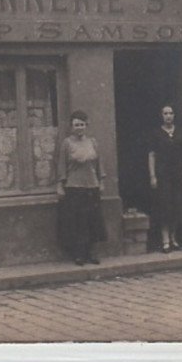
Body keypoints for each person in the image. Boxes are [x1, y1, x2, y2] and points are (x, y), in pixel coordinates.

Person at [56, 110, 107, 266]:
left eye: (82, 124)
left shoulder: (93, 142)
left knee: (93, 220)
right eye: (76, 125)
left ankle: (92, 253)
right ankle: (79, 254)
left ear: (86, 125)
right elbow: (61, 165)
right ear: (72, 126)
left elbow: (98, 164)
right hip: (74, 187)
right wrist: (60, 184)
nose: (79, 127)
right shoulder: (67, 143)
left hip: (92, 186)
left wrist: (101, 181)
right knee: (78, 222)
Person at [148, 104, 182, 253]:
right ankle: (165, 241)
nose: (168, 116)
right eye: (165, 113)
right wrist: (153, 175)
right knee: (165, 207)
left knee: (176, 208)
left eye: (171, 113)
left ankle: (174, 239)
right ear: (161, 115)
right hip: (163, 175)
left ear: (174, 115)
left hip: (178, 175)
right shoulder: (156, 133)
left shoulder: (180, 132)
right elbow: (152, 155)